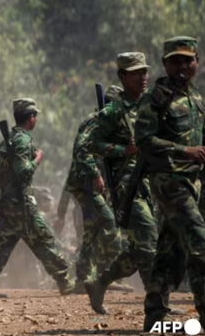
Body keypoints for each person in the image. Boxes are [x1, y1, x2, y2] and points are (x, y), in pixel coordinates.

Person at [134, 37, 205, 331]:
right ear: (165, 64)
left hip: (194, 184)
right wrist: (184, 151)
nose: (182, 66)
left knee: (170, 250)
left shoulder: (199, 100)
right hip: (168, 182)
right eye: (175, 60)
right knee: (202, 246)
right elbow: (143, 140)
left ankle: (153, 315)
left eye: (187, 60)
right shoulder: (155, 98)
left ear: (196, 62)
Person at [0, 98, 75, 298]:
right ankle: (65, 280)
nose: (36, 119)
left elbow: (2, 175)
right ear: (31, 118)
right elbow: (22, 172)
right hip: (20, 203)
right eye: (35, 115)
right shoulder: (22, 140)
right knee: (44, 239)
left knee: (2, 244)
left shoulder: (8, 141)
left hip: (6, 201)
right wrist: (37, 159)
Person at [84, 53, 160, 313]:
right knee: (148, 241)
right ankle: (156, 306)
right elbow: (90, 144)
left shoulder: (151, 107)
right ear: (122, 77)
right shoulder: (113, 112)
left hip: (151, 185)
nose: (143, 77)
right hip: (128, 186)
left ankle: (100, 282)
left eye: (145, 71)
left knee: (139, 249)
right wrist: (122, 150)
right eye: (136, 72)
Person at [55, 85, 123, 293]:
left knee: (92, 233)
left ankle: (84, 280)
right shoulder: (95, 122)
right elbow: (81, 152)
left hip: (95, 189)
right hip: (86, 186)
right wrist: (61, 211)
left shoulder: (111, 127)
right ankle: (105, 277)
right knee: (109, 226)